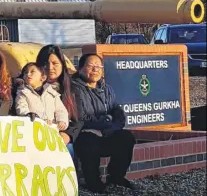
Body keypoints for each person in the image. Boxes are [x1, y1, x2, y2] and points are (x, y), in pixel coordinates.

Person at [72, 54, 137, 193]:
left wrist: (111, 127)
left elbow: (117, 113)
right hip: (85, 134)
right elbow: (81, 118)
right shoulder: (74, 89)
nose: (95, 69)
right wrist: (106, 121)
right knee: (88, 142)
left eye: (99, 66)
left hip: (106, 132)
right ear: (80, 68)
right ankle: (93, 182)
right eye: (91, 66)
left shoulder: (107, 89)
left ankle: (116, 176)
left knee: (126, 138)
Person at [35, 44, 81, 158]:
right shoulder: (28, 87)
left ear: (62, 64)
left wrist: (67, 135)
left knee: (68, 150)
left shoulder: (73, 88)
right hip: (37, 137)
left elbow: (79, 119)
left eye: (55, 63)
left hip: (62, 137)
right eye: (45, 64)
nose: (50, 68)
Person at [15, 62, 69, 132]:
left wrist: (62, 121)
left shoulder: (52, 93)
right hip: (33, 130)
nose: (28, 74)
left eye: (32, 72)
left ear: (43, 77)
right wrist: (30, 116)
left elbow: (61, 110)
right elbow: (21, 108)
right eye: (25, 73)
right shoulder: (22, 93)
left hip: (52, 131)